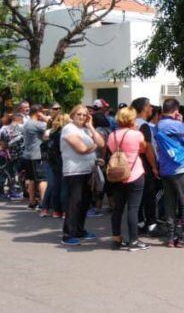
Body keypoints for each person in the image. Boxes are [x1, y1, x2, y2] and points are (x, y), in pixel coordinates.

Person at [156, 99, 184, 248]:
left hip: (165, 169)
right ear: (176, 111)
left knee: (169, 203)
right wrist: (180, 123)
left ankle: (171, 237)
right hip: (179, 167)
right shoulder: (176, 125)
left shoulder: (158, 125)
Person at [60, 105, 105, 246]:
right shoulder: (68, 129)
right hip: (74, 171)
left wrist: (91, 127)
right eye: (79, 114)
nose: (82, 117)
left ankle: (79, 230)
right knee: (74, 203)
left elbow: (102, 143)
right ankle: (68, 234)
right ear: (72, 115)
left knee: (85, 203)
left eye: (85, 115)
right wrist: (94, 148)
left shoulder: (85, 129)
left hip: (88, 170)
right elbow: (81, 149)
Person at [106, 107, 149, 251]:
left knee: (118, 208)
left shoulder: (112, 135)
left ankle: (116, 238)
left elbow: (112, 150)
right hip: (135, 173)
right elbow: (143, 148)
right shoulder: (136, 134)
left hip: (118, 174)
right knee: (133, 209)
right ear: (132, 119)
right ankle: (134, 241)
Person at [130, 98, 160, 236]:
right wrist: (154, 167)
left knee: (137, 197)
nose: (151, 109)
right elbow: (148, 148)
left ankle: (139, 222)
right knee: (149, 195)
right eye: (149, 106)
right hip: (144, 164)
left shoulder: (130, 123)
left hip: (132, 163)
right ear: (144, 108)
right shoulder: (144, 126)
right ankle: (151, 225)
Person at [21, 104, 50, 210]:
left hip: (28, 155)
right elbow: (52, 125)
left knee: (32, 179)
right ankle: (43, 203)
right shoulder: (36, 124)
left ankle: (32, 201)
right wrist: (45, 117)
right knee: (43, 179)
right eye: (42, 112)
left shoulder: (27, 123)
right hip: (37, 155)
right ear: (38, 113)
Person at [41, 113, 68, 219]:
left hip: (52, 162)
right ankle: (64, 210)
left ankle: (54, 210)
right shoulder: (64, 134)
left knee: (54, 186)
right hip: (62, 161)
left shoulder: (52, 133)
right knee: (64, 187)